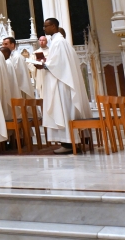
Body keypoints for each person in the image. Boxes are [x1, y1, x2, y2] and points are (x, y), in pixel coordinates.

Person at [34, 18, 89, 154]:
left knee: (63, 112)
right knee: (64, 112)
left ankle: (68, 143)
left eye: (46, 26)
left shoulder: (58, 42)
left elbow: (56, 64)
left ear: (53, 26)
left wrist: (43, 64)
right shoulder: (61, 42)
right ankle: (69, 142)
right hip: (62, 81)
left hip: (61, 84)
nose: (44, 29)